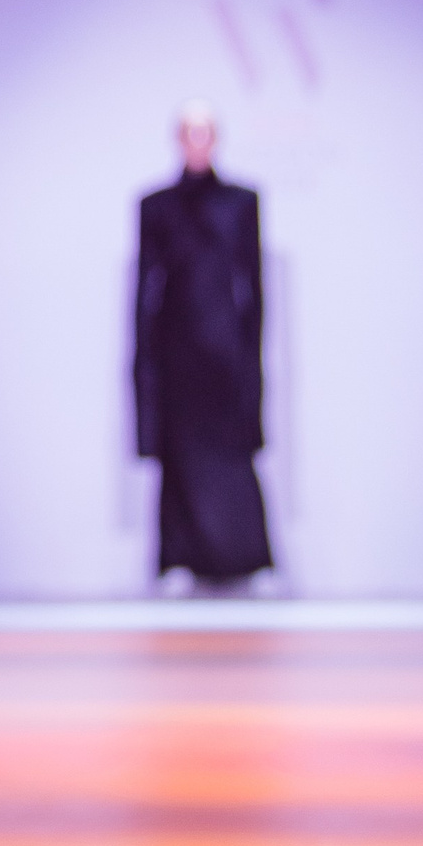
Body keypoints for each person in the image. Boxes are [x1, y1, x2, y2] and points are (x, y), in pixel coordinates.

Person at [134, 101, 274, 587]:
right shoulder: (156, 206)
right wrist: (143, 362)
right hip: (175, 349)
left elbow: (253, 283)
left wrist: (250, 355)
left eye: (205, 133)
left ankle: (249, 560)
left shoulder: (240, 202)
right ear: (178, 140)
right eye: (189, 133)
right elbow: (144, 287)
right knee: (178, 457)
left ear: (216, 139)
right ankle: (177, 558)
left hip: (226, 349)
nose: (197, 143)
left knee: (233, 454)